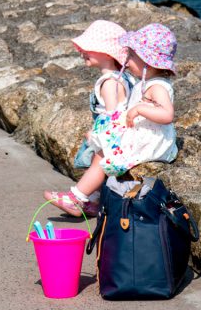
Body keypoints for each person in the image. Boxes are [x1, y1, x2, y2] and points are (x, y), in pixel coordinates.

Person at [46, 23, 178, 217]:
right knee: (103, 150)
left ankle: (77, 197)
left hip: (152, 141)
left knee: (103, 154)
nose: (127, 59)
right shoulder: (147, 82)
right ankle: (92, 200)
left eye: (132, 56)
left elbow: (167, 115)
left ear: (147, 62)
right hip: (145, 134)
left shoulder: (157, 86)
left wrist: (140, 108)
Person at [44, 20, 134, 217]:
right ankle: (93, 201)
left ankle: (76, 197)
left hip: (112, 134)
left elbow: (113, 115)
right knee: (97, 162)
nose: (82, 51)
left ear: (107, 52)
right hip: (120, 133)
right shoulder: (122, 78)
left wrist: (96, 133)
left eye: (89, 48)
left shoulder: (110, 83)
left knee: (98, 163)